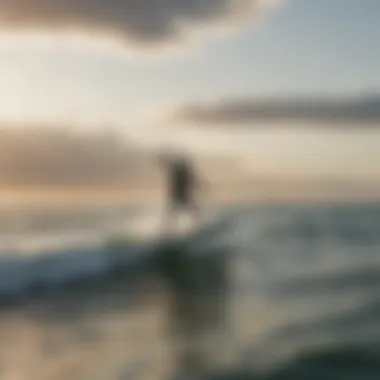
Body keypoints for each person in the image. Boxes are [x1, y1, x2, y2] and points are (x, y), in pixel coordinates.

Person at [159, 153, 203, 234]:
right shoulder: (181, 171)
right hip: (180, 196)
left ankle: (168, 228)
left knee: (174, 212)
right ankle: (168, 228)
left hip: (181, 197)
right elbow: (195, 182)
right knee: (174, 212)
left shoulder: (180, 171)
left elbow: (195, 182)